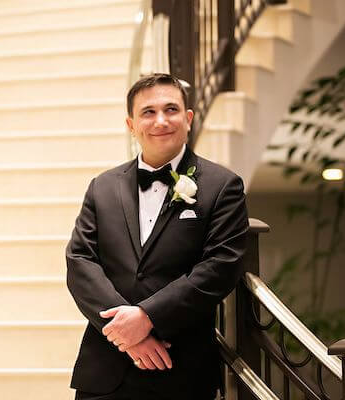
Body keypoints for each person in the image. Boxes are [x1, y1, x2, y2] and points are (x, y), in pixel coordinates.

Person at [66, 73, 249, 399]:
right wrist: (127, 332)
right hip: (105, 371)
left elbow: (221, 266)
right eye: (148, 112)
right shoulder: (103, 186)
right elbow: (80, 261)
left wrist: (148, 316)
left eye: (171, 109)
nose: (161, 120)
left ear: (188, 118)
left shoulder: (223, 186)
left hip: (179, 370)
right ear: (131, 124)